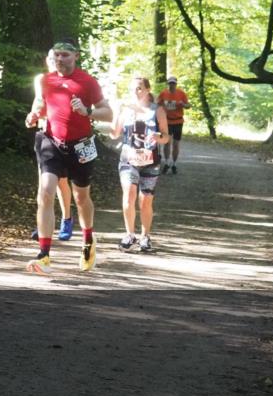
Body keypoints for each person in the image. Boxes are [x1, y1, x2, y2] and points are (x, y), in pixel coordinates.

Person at [25, 39, 111, 275]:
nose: (60, 59)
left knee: (81, 198)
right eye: (57, 55)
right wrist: (33, 116)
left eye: (65, 55)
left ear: (76, 56)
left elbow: (108, 112)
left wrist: (88, 112)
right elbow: (41, 106)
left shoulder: (88, 82)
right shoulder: (46, 80)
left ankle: (88, 241)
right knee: (45, 192)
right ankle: (43, 255)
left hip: (81, 146)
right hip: (50, 141)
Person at [111, 77, 170, 253]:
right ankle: (129, 234)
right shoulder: (126, 110)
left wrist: (158, 137)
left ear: (147, 90)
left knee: (145, 200)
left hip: (151, 161)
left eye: (139, 88)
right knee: (129, 194)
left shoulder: (157, 110)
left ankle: (145, 236)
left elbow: (166, 137)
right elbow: (114, 134)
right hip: (129, 160)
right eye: (132, 89)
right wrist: (115, 112)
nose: (135, 92)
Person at [31, 49, 76, 241]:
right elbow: (39, 102)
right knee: (44, 182)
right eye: (50, 58)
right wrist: (32, 116)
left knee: (62, 182)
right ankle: (43, 224)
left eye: (56, 58)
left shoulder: (69, 80)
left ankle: (67, 218)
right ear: (47, 60)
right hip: (45, 135)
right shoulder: (41, 79)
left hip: (64, 137)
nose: (53, 61)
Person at [156, 76, 190, 173]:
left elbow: (188, 105)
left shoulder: (181, 93)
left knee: (176, 144)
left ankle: (174, 164)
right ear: (168, 84)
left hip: (178, 122)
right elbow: (157, 104)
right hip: (167, 121)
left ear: (176, 84)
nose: (172, 85)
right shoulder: (163, 93)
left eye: (173, 83)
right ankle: (167, 163)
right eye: (170, 83)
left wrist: (183, 105)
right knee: (167, 143)